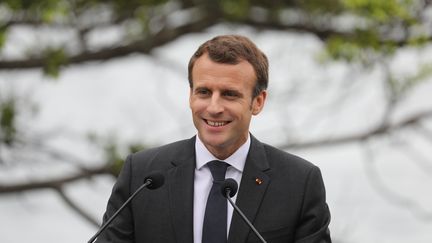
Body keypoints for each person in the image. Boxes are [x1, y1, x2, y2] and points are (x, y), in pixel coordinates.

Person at [95, 35, 331, 243]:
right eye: (204, 92)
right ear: (190, 96)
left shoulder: (299, 183)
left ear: (258, 102)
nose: (214, 107)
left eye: (229, 94)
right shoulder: (142, 175)